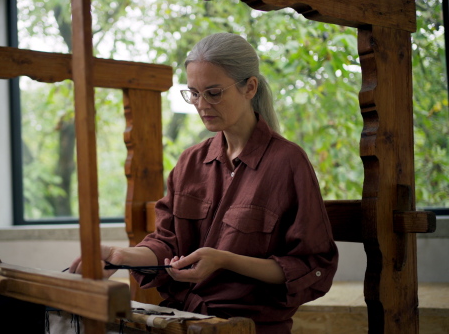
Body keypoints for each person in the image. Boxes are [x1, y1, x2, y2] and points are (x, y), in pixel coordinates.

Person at [69, 32, 338, 333]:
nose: (201, 104)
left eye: (213, 92)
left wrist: (224, 260)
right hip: (183, 322)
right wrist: (120, 257)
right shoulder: (190, 162)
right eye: (193, 93)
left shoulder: (288, 163)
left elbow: (313, 266)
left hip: (249, 327)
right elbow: (167, 243)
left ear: (250, 87)